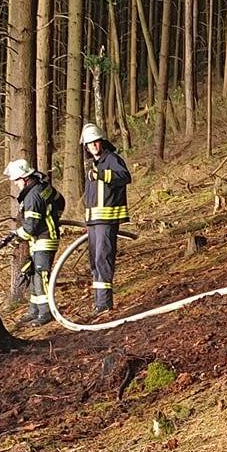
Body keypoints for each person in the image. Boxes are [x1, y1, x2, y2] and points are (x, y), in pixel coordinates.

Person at [0, 158, 65, 327]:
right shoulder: (42, 187)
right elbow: (60, 201)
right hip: (42, 238)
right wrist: (54, 217)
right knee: (33, 274)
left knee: (41, 275)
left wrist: (15, 236)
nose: (16, 184)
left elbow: (30, 228)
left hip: (45, 239)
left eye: (17, 181)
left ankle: (46, 312)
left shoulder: (32, 196)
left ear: (25, 178)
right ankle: (34, 311)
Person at [79, 123, 132, 315]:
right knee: (94, 261)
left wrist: (101, 175)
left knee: (103, 259)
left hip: (107, 221)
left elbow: (125, 177)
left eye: (95, 142)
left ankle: (104, 304)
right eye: (89, 143)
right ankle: (98, 303)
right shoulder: (94, 166)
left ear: (102, 141)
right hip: (94, 223)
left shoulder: (112, 160)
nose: (93, 146)